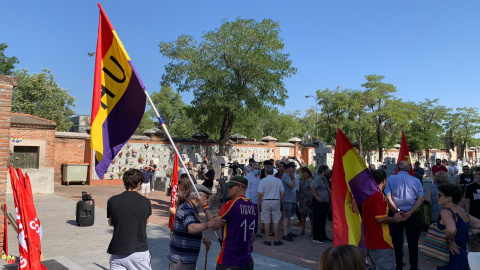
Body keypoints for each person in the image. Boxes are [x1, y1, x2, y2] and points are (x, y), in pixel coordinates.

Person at [168, 184, 225, 269]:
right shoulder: (187, 208)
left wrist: (202, 238)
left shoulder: (193, 209)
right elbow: (191, 228)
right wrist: (208, 224)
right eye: (206, 197)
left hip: (186, 258)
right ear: (199, 196)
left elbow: (186, 230)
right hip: (182, 258)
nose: (208, 200)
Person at [107, 169, 152, 269]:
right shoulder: (146, 202)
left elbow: (111, 222)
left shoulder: (112, 200)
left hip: (117, 252)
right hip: (139, 251)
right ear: (139, 184)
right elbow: (146, 220)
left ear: (124, 182)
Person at [385, 160, 424, 270]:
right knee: (413, 243)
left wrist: (396, 210)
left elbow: (388, 196)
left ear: (398, 168)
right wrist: (410, 212)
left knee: (397, 242)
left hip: (397, 214)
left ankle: (398, 265)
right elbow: (421, 199)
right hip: (413, 214)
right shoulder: (416, 180)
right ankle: (414, 267)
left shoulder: (391, 179)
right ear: (409, 169)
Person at [362, 169, 404, 270]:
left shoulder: (367, 194)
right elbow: (380, 219)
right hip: (381, 240)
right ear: (384, 181)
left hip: (369, 240)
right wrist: (394, 219)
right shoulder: (378, 196)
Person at [214, 176, 258, 270]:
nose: (228, 189)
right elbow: (254, 234)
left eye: (231, 187)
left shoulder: (232, 204)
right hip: (247, 260)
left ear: (240, 188)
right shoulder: (253, 207)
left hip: (229, 260)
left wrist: (205, 207)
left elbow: (214, 225)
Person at [436, 184, 474, 270]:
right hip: (462, 254)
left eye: (440, 195)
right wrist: (471, 232)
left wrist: (450, 241)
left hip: (450, 254)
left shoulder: (446, 212)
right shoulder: (461, 211)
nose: (437, 197)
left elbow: (451, 230)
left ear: (449, 198)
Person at [258, 165, 285, 246]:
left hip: (266, 201)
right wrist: (280, 200)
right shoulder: (278, 180)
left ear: (265, 172)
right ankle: (277, 240)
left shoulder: (263, 181)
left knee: (266, 221)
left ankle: (268, 240)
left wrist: (258, 204)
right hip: (276, 200)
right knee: (276, 221)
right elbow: (283, 192)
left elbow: (260, 194)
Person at [311, 165, 332, 243]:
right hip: (319, 203)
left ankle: (323, 235)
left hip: (324, 203)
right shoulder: (318, 178)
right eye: (327, 170)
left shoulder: (324, 179)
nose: (328, 171)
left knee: (322, 220)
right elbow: (312, 186)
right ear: (323, 171)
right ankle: (316, 237)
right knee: (318, 220)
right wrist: (316, 196)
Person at [464, 167, 480, 252]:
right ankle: (472, 262)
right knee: (474, 241)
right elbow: (467, 202)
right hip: (474, 216)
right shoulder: (470, 187)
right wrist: (467, 215)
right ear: (475, 175)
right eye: (478, 174)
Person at [281, 163, 297, 242]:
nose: (294, 169)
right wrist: (293, 178)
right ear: (289, 168)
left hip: (291, 200)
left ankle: (288, 231)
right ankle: (285, 234)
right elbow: (292, 185)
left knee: (289, 217)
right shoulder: (286, 176)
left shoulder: (289, 176)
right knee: (286, 217)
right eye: (293, 168)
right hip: (287, 200)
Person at [298, 167, 314, 236]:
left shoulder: (312, 181)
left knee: (311, 216)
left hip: (310, 200)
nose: (303, 174)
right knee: (303, 216)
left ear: (308, 174)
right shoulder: (301, 182)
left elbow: (314, 191)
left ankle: (312, 230)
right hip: (302, 200)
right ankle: (303, 230)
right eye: (302, 173)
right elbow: (299, 191)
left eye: (305, 173)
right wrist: (297, 200)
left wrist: (312, 199)